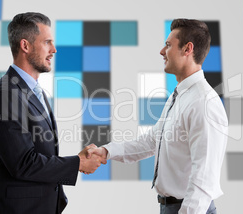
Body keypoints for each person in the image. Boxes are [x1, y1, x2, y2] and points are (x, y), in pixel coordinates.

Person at [88, 19, 228, 214]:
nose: (162, 51)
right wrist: (107, 151)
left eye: (169, 45)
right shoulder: (179, 95)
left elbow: (204, 178)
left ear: (188, 49)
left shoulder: (204, 103)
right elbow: (152, 140)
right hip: (170, 207)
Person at [0, 12, 103, 214]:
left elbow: (41, 151)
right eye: (47, 42)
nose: (53, 50)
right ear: (25, 46)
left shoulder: (34, 92)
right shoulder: (4, 96)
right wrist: (78, 162)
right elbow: (23, 163)